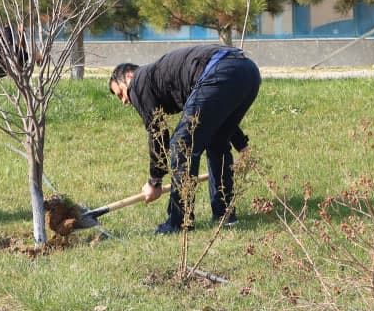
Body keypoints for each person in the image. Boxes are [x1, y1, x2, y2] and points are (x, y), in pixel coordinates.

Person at [109, 45, 261, 235]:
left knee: (182, 145)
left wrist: (154, 181)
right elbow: (214, 114)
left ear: (129, 77)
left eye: (121, 93)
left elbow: (157, 130)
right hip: (247, 71)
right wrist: (242, 146)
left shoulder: (139, 81)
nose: (124, 100)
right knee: (217, 139)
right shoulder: (162, 78)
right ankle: (225, 216)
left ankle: (179, 222)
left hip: (219, 70)